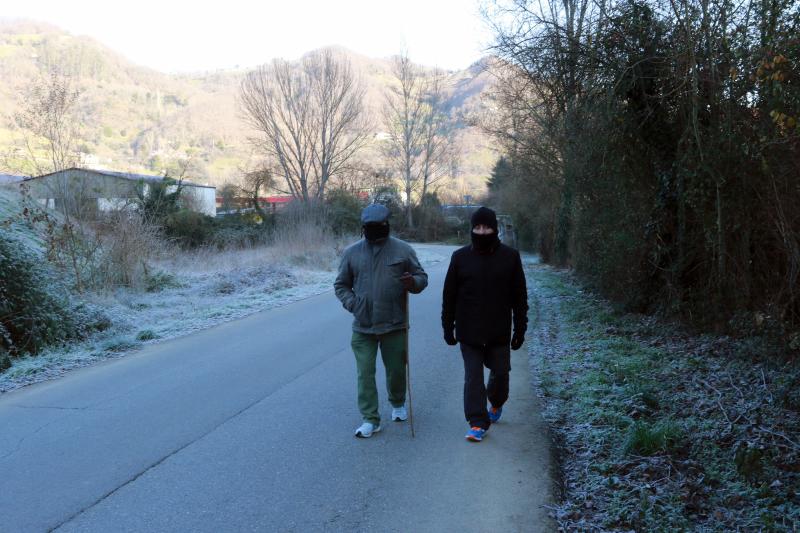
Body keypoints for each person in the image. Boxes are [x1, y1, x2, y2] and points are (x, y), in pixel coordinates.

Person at [335, 204, 428, 438]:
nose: (374, 230)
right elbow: (341, 285)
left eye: (379, 226)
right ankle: (370, 419)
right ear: (363, 228)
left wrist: (413, 283)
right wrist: (353, 304)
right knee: (364, 373)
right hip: (363, 327)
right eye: (369, 227)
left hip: (394, 324)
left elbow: (421, 277)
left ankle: (397, 403)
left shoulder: (403, 250)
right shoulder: (352, 253)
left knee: (396, 370)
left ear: (387, 225)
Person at [441, 206, 528, 442]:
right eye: (477, 227)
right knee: (473, 378)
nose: (481, 232)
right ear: (471, 229)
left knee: (500, 377)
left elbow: (519, 296)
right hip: (469, 331)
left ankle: (496, 403)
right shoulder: (460, 257)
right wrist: (447, 326)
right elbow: (449, 295)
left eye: (486, 227)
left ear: (495, 229)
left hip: (498, 330)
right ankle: (478, 422)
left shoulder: (510, 257)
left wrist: (520, 328)